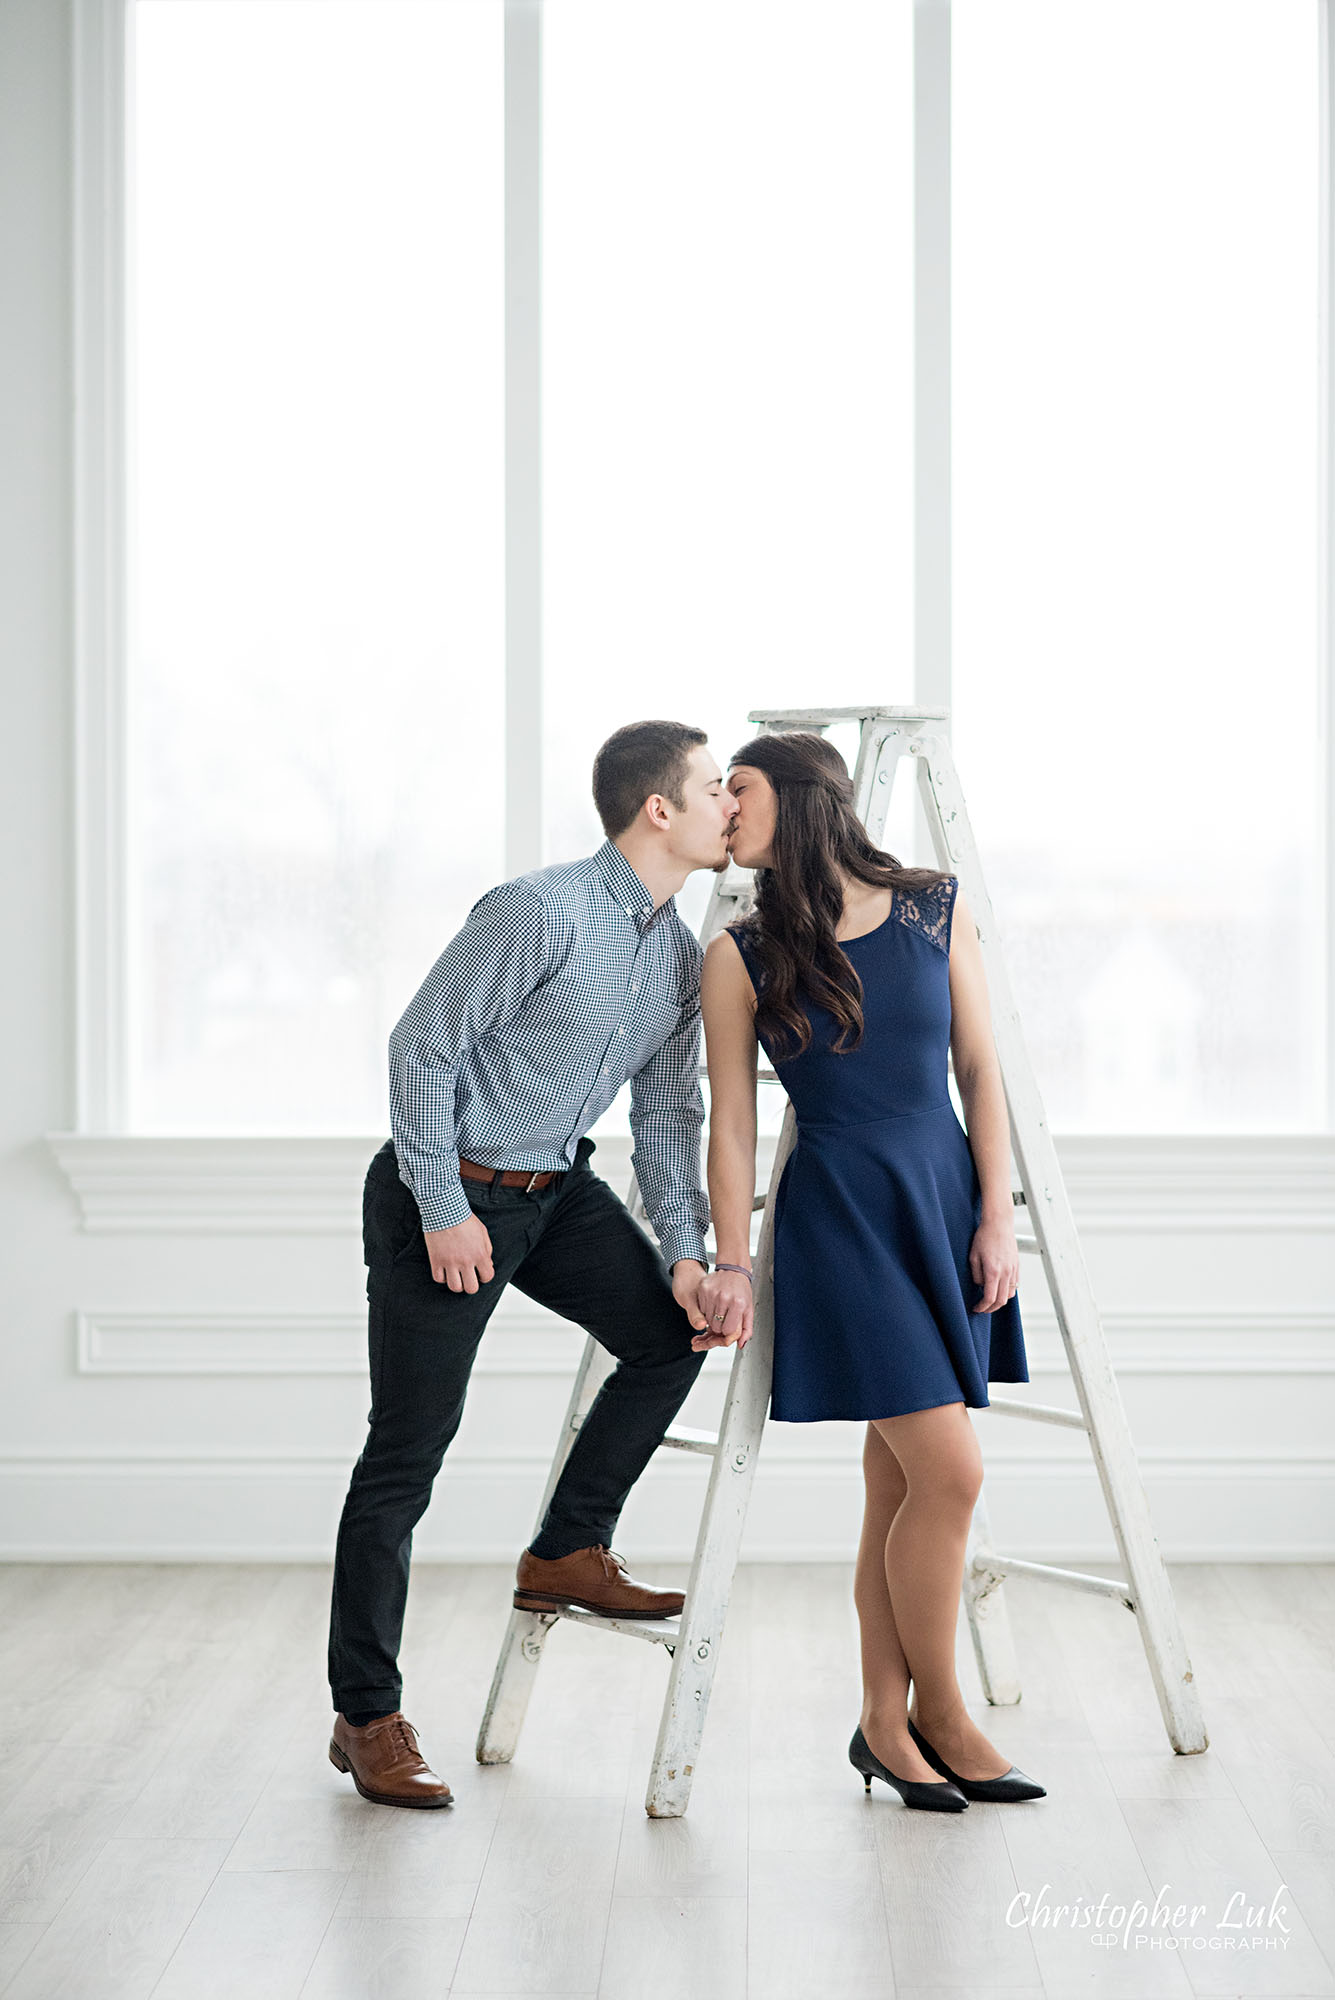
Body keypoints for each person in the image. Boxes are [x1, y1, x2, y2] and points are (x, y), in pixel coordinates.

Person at [326, 720, 731, 1809]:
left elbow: (666, 1111)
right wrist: (442, 1206)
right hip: (443, 1195)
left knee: (670, 1333)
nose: (729, 805)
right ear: (658, 808)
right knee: (407, 1456)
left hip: (558, 1195)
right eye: (711, 788)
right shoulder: (538, 909)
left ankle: (566, 1548)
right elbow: (423, 1043)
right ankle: (366, 1714)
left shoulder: (677, 959)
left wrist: (689, 1254)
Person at [694, 730, 1046, 1812]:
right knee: (951, 1474)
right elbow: (735, 1128)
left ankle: (884, 1724)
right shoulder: (740, 950)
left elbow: (980, 1068)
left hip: (938, 1198)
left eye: (737, 788)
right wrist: (735, 1261)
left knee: (899, 1480)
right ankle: (941, 1711)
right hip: (840, 1214)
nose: (721, 806)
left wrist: (998, 1216)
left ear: (799, 797)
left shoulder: (935, 906)